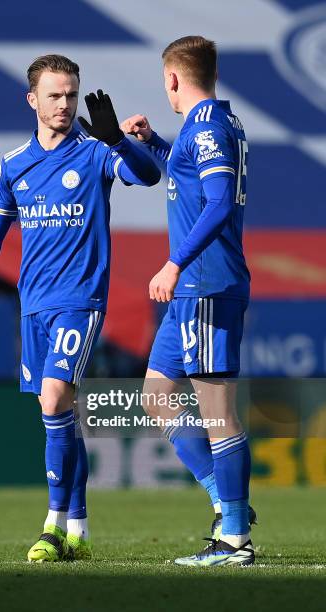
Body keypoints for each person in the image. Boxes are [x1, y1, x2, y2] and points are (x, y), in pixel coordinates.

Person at [0, 54, 160, 563]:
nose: (65, 104)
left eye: (71, 94)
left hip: (80, 300)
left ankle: (51, 524)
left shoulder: (94, 154)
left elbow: (148, 176)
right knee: (60, 413)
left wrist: (117, 141)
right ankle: (79, 532)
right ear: (33, 100)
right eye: (55, 95)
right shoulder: (14, 164)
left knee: (53, 398)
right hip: (33, 306)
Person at [120, 35, 256, 567]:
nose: (166, 91)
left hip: (205, 283)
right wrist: (153, 141)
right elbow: (190, 179)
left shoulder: (209, 128)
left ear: (173, 78)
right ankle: (225, 502)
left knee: (218, 413)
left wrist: (174, 263)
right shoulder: (212, 126)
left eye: (164, 83)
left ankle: (234, 538)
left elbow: (219, 201)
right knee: (157, 396)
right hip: (191, 292)